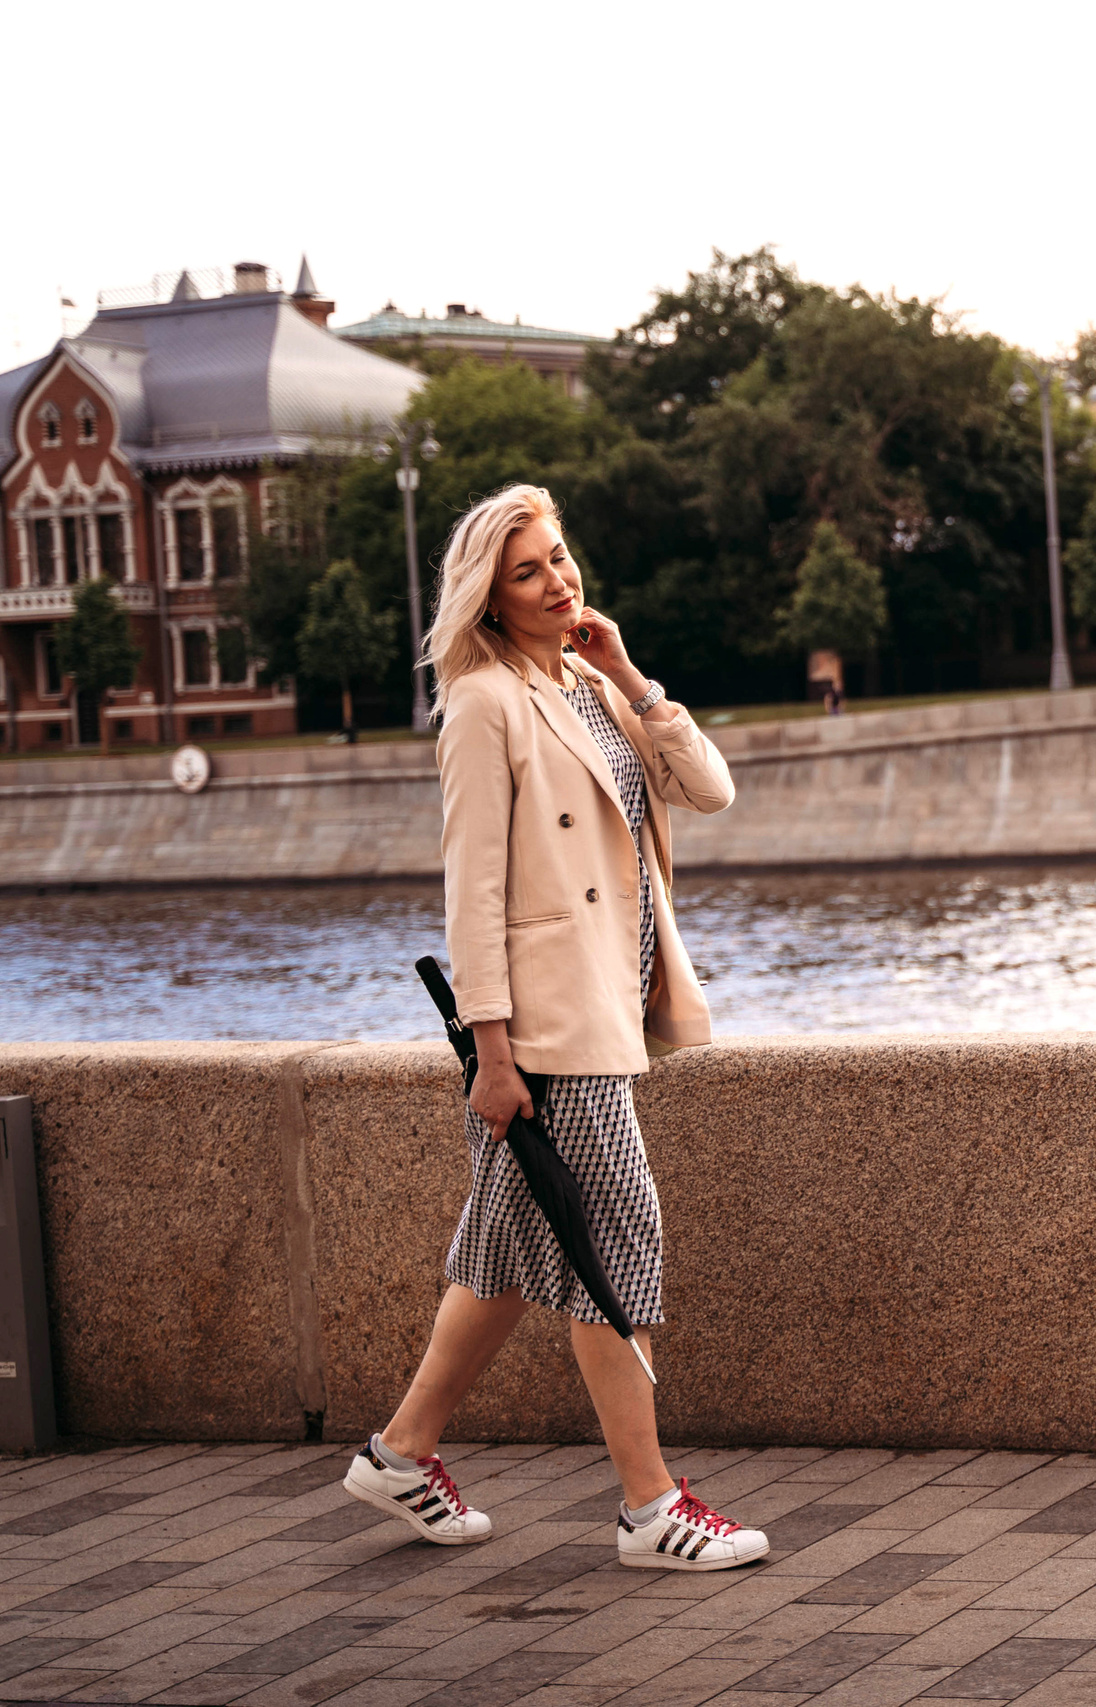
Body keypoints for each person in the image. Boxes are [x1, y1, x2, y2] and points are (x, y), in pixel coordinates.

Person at [341, 483, 765, 1571]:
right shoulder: (482, 703)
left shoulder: (584, 682)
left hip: (612, 1006)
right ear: (487, 595)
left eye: (561, 560)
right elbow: (473, 890)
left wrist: (630, 674)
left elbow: (709, 791)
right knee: (609, 1243)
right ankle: (649, 1508)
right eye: (527, 571)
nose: (555, 583)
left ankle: (399, 1453)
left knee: (504, 1250)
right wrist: (490, 1054)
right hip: (544, 1029)